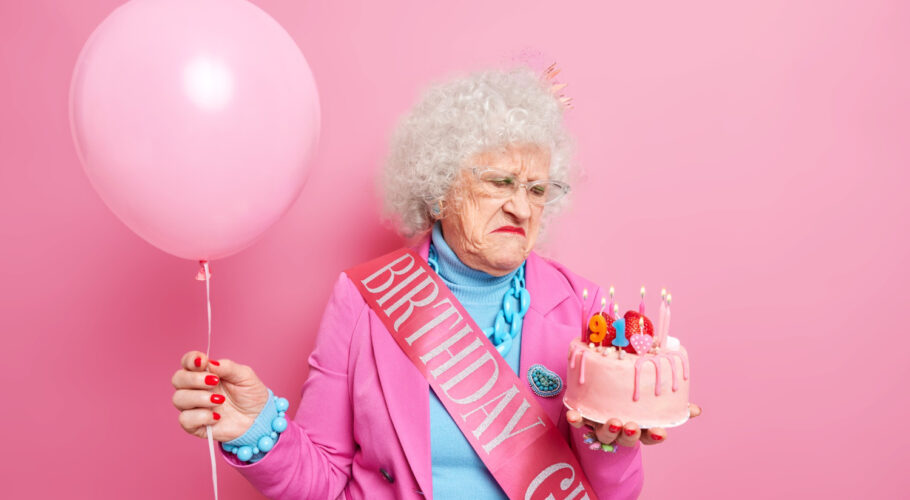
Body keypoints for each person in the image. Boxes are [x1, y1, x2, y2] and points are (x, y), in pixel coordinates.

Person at [171, 66, 701, 499]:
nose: (521, 206)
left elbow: (608, 495)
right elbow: (325, 482)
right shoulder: (363, 299)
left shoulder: (582, 308)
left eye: (538, 190)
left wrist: (612, 442)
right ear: (439, 187)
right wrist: (257, 430)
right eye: (499, 182)